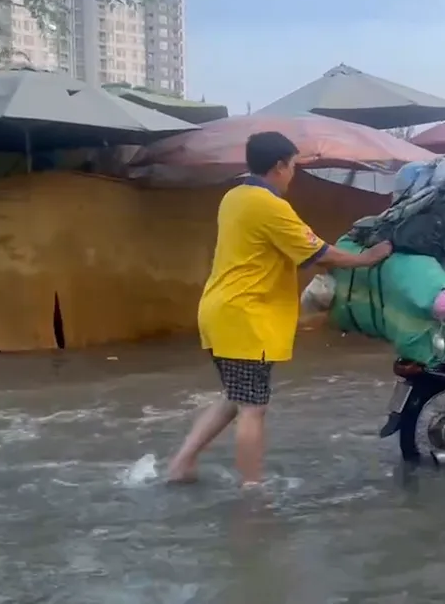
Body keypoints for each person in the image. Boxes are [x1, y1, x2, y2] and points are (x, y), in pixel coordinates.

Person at [165, 131, 392, 487]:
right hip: (245, 316)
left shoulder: (235, 197)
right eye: (293, 166)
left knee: (235, 399)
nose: (294, 174)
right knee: (253, 408)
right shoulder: (269, 206)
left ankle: (181, 464)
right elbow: (320, 253)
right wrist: (367, 258)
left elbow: (280, 251)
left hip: (222, 311)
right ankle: (252, 491)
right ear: (278, 166)